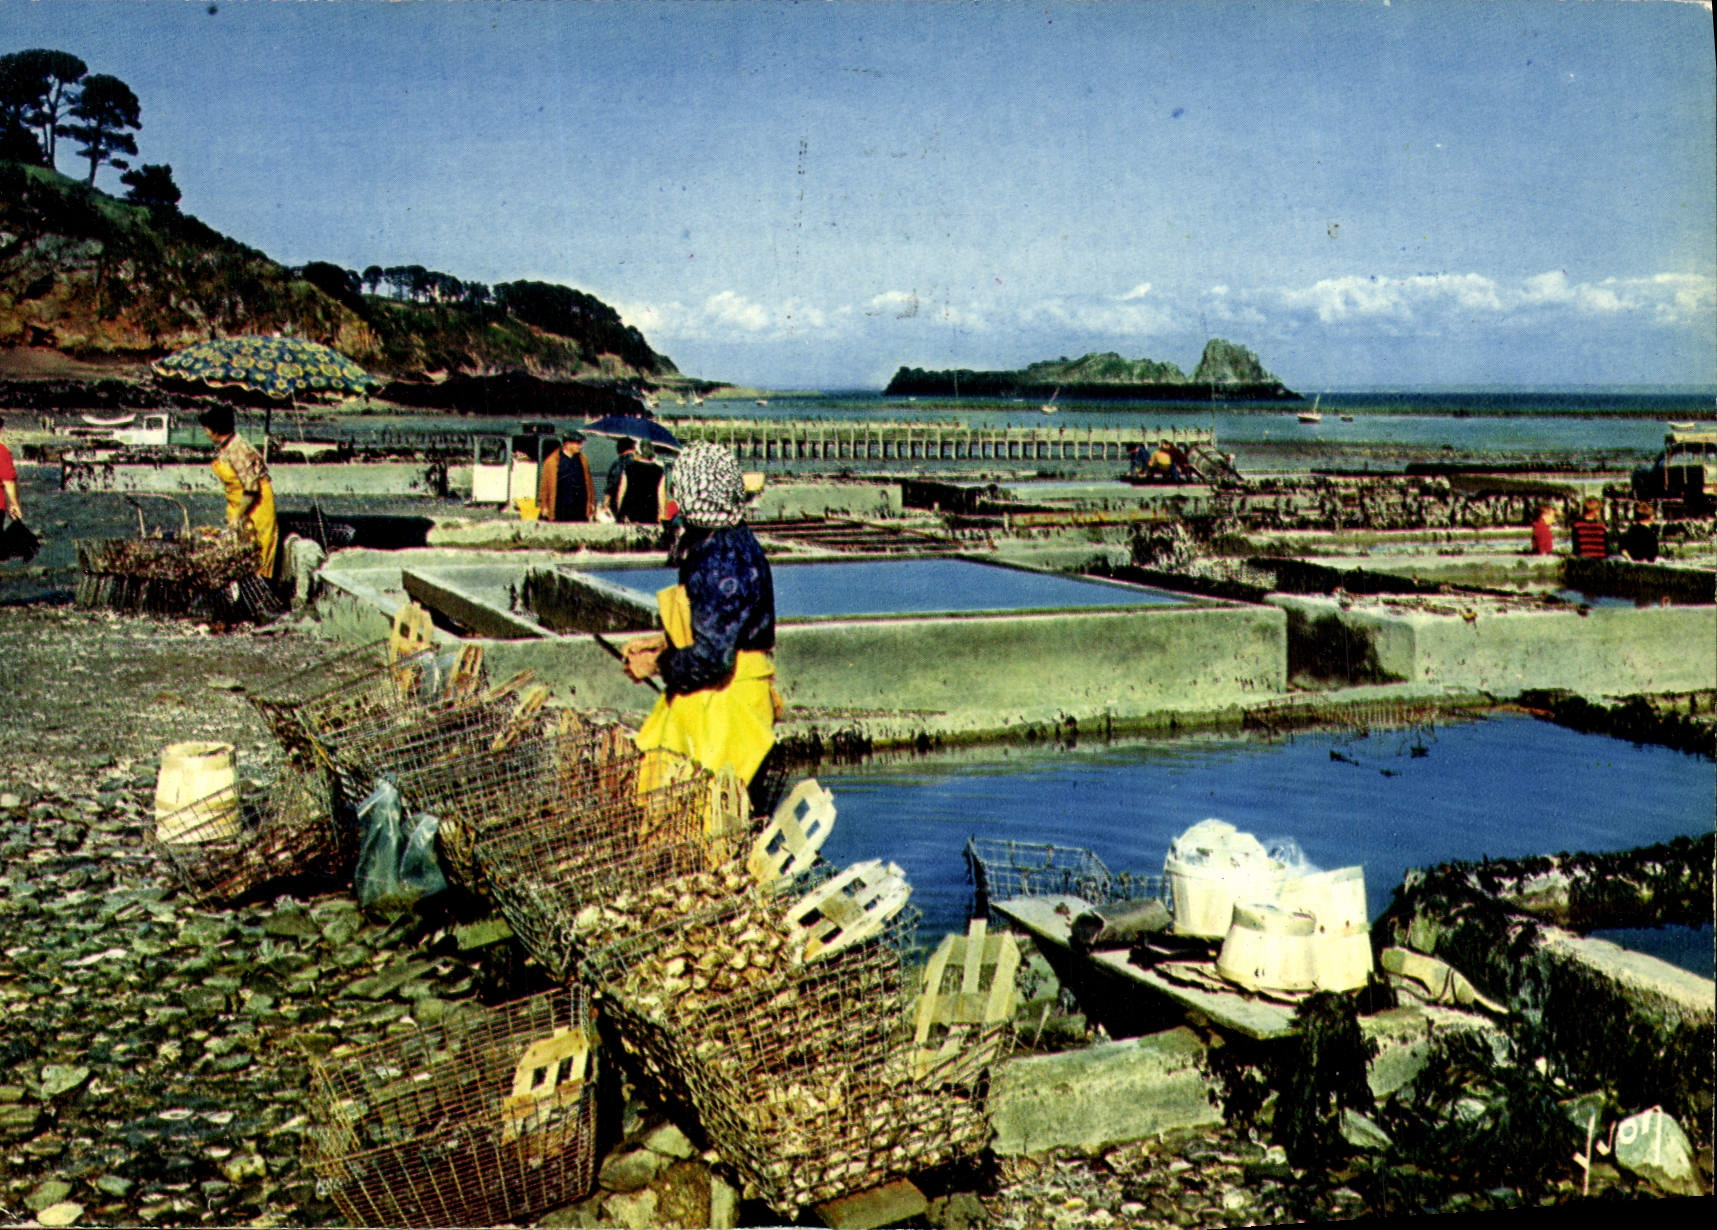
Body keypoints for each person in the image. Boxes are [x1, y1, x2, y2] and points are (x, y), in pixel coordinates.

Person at [622, 442, 780, 805]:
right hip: (733, 696)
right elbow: (721, 628)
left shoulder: (719, 558)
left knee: (706, 812)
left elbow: (712, 657)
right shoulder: (730, 540)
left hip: (725, 706)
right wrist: (661, 644)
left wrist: (655, 664)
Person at [198, 406, 277, 578]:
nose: (205, 433)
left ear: (216, 429)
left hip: (256, 504)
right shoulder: (226, 447)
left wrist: (237, 515)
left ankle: (259, 590)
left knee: (257, 548)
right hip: (239, 502)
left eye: (206, 429)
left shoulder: (237, 449)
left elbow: (251, 487)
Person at [537, 430, 595, 522]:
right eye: (578, 443)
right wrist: (544, 505)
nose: (581, 446)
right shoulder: (552, 461)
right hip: (561, 507)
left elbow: (589, 483)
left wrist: (591, 503)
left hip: (579, 507)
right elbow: (545, 486)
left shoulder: (583, 461)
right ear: (567, 444)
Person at [615, 441, 667, 525]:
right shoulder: (659, 471)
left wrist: (620, 512)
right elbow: (661, 495)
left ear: (638, 452)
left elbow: (621, 492)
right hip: (650, 514)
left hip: (629, 513)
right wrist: (662, 514)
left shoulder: (629, 468)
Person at [603, 436, 635, 515]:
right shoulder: (636, 463)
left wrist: (607, 499)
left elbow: (613, 481)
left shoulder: (618, 463)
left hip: (618, 501)